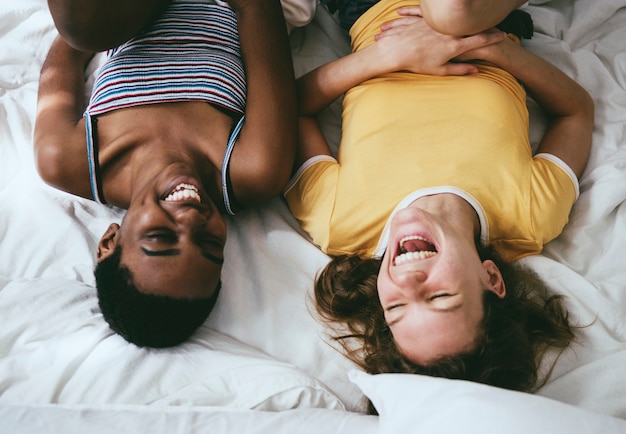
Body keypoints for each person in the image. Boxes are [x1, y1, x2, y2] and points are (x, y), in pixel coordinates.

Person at [284, 0, 594, 407]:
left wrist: (387, 56)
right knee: (453, 13)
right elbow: (576, 113)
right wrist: (490, 49)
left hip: (371, 8)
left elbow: (290, 111)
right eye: (439, 297)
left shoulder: (339, 221)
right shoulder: (531, 215)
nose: (409, 282)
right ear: (492, 280)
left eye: (395, 307)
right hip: (486, 19)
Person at [34, 0, 298, 347]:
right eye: (209, 242)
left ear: (110, 242)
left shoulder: (65, 158)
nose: (191, 221)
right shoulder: (252, 166)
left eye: (160, 237)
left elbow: (71, 48)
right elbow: (258, 9)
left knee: (81, 25)